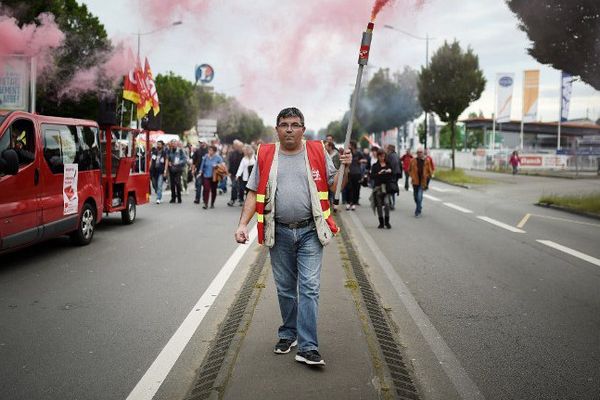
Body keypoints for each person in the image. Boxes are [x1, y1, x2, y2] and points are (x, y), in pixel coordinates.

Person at [235, 107, 351, 366]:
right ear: (276, 129)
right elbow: (253, 192)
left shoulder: (317, 151)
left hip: (311, 230)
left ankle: (308, 346)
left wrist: (346, 167)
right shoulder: (265, 153)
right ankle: (289, 333)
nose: (289, 129)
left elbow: (336, 186)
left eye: (295, 124)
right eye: (284, 124)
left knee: (309, 288)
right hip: (280, 231)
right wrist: (243, 224)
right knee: (286, 289)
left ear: (303, 129)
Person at [370, 149, 393, 229]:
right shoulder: (375, 166)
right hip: (378, 188)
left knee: (387, 204)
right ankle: (381, 222)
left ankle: (387, 222)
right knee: (379, 205)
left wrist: (389, 171)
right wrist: (379, 173)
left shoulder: (388, 164)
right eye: (380, 156)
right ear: (378, 156)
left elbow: (392, 175)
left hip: (386, 187)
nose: (382, 158)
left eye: (383, 156)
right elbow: (372, 176)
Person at [408, 147, 433, 217]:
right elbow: (409, 169)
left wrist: (427, 176)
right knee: (415, 197)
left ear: (423, 153)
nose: (419, 153)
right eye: (418, 152)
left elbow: (430, 171)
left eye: (420, 152)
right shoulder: (412, 160)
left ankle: (418, 211)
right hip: (415, 181)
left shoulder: (427, 161)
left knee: (419, 197)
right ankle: (419, 206)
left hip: (422, 182)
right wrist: (412, 175)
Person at [199, 145, 224, 209]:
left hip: (214, 176)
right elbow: (202, 164)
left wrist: (217, 165)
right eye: (209, 150)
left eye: (211, 150)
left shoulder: (218, 157)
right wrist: (200, 171)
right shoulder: (205, 157)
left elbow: (222, 165)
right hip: (206, 175)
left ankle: (212, 203)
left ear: (214, 151)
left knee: (213, 190)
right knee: (206, 189)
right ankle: (206, 203)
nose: (209, 151)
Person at [166, 140, 187, 204]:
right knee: (172, 184)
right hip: (171, 169)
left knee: (177, 183)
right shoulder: (169, 151)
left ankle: (179, 198)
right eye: (172, 144)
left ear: (177, 144)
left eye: (175, 143)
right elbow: (167, 159)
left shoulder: (180, 151)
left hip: (178, 169)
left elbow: (184, 159)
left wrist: (178, 162)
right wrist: (169, 163)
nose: (173, 145)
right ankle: (173, 198)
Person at [347, 140, 363, 210]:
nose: (348, 145)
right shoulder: (348, 152)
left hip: (357, 172)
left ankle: (353, 203)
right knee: (349, 188)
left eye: (349, 144)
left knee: (356, 188)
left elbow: (364, 159)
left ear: (352, 145)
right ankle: (348, 202)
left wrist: (361, 161)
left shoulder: (359, 153)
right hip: (349, 172)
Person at [227, 140, 244, 207]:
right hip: (234, 173)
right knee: (234, 186)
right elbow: (230, 163)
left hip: (242, 174)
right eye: (236, 145)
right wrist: (229, 171)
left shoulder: (244, 154)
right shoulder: (232, 153)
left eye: (239, 146)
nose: (237, 147)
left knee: (241, 187)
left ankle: (241, 199)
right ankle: (232, 200)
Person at [325, 141, 340, 213]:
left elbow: (337, 166)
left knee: (333, 192)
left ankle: (334, 206)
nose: (325, 147)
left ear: (330, 147)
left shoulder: (336, 154)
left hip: (334, 175)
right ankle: (329, 206)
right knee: (328, 193)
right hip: (327, 176)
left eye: (326, 146)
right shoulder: (326, 153)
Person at [386, 144, 401, 210]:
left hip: (391, 173)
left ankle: (391, 204)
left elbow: (389, 165)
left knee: (390, 189)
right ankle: (392, 203)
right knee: (392, 189)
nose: (387, 150)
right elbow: (400, 165)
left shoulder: (389, 156)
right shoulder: (396, 155)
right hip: (397, 173)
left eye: (387, 149)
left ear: (390, 149)